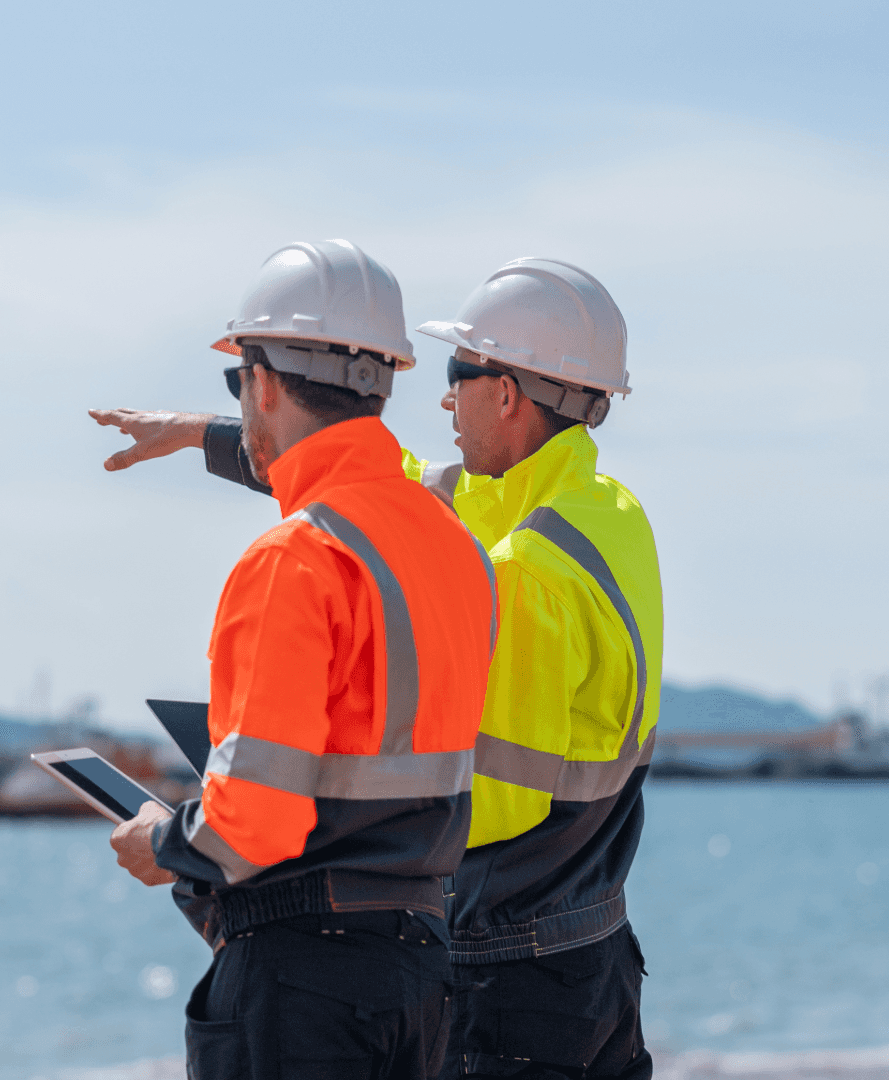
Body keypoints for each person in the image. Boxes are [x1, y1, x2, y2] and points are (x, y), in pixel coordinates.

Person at [94, 258, 661, 1080]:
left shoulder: (523, 574)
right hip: (585, 953)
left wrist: (226, 825)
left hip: (510, 977)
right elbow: (381, 487)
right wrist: (208, 432)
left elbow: (477, 801)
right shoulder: (602, 515)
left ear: (504, 394)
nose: (442, 399)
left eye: (458, 374)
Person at [105, 239, 498, 1080]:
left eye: (237, 380)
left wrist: (161, 839)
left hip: (302, 984)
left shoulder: (293, 558)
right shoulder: (453, 545)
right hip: (420, 972)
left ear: (266, 382)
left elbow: (254, 821)